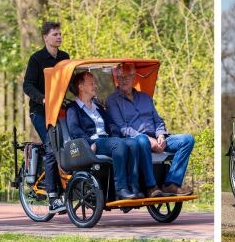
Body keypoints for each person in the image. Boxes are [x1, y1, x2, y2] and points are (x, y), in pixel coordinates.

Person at [105, 64, 194, 196]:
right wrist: (148, 139)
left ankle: (171, 183)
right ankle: (151, 186)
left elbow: (158, 120)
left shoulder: (145, 97)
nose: (123, 80)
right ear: (116, 78)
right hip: (135, 140)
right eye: (120, 77)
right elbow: (122, 127)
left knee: (187, 139)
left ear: (134, 78)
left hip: (156, 138)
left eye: (127, 77)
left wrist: (161, 136)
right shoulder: (112, 100)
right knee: (142, 140)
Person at [66, 71, 141, 200]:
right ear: (81, 86)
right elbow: (74, 130)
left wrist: (116, 136)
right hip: (94, 143)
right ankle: (120, 189)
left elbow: (112, 125)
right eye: (91, 84)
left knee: (133, 143)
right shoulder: (72, 108)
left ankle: (134, 187)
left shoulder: (98, 107)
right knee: (119, 144)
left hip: (109, 141)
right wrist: (89, 143)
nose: (95, 86)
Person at [22, 21, 69, 214]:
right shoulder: (36, 59)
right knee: (51, 147)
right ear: (45, 37)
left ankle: (69, 186)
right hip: (40, 112)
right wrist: (42, 99)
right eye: (55, 34)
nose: (59, 37)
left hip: (59, 110)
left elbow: (70, 83)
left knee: (70, 144)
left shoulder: (64, 57)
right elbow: (27, 85)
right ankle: (52, 197)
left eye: (60, 34)